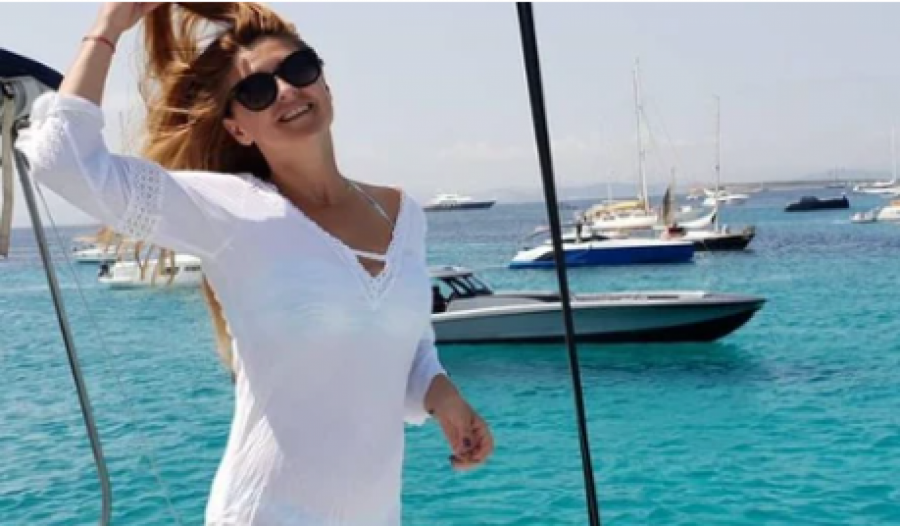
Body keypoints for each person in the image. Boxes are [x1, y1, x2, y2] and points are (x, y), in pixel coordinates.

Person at [18, 3, 493, 525]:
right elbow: (65, 163)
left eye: (299, 69)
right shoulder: (229, 210)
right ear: (238, 129)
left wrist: (443, 395)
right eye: (257, 91)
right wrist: (109, 25)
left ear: (325, 83)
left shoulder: (402, 213)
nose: (286, 90)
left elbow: (405, 345)